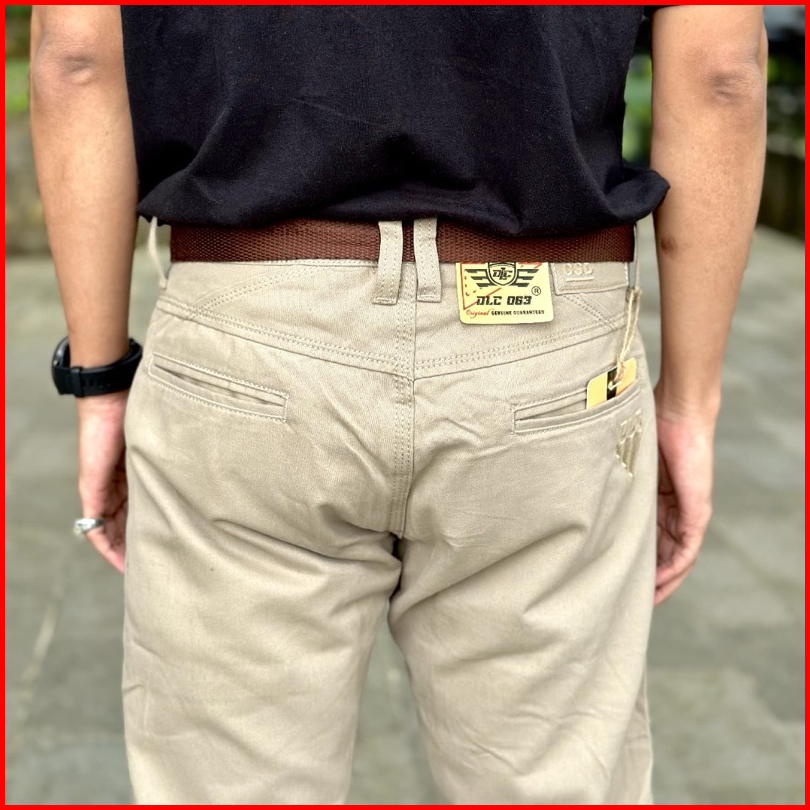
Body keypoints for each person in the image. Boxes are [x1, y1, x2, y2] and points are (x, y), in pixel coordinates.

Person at [30, 6, 767, 805]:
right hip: (543, 344)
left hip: (252, 333)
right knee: (555, 779)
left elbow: (76, 59)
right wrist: (689, 405)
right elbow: (721, 75)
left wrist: (98, 383)